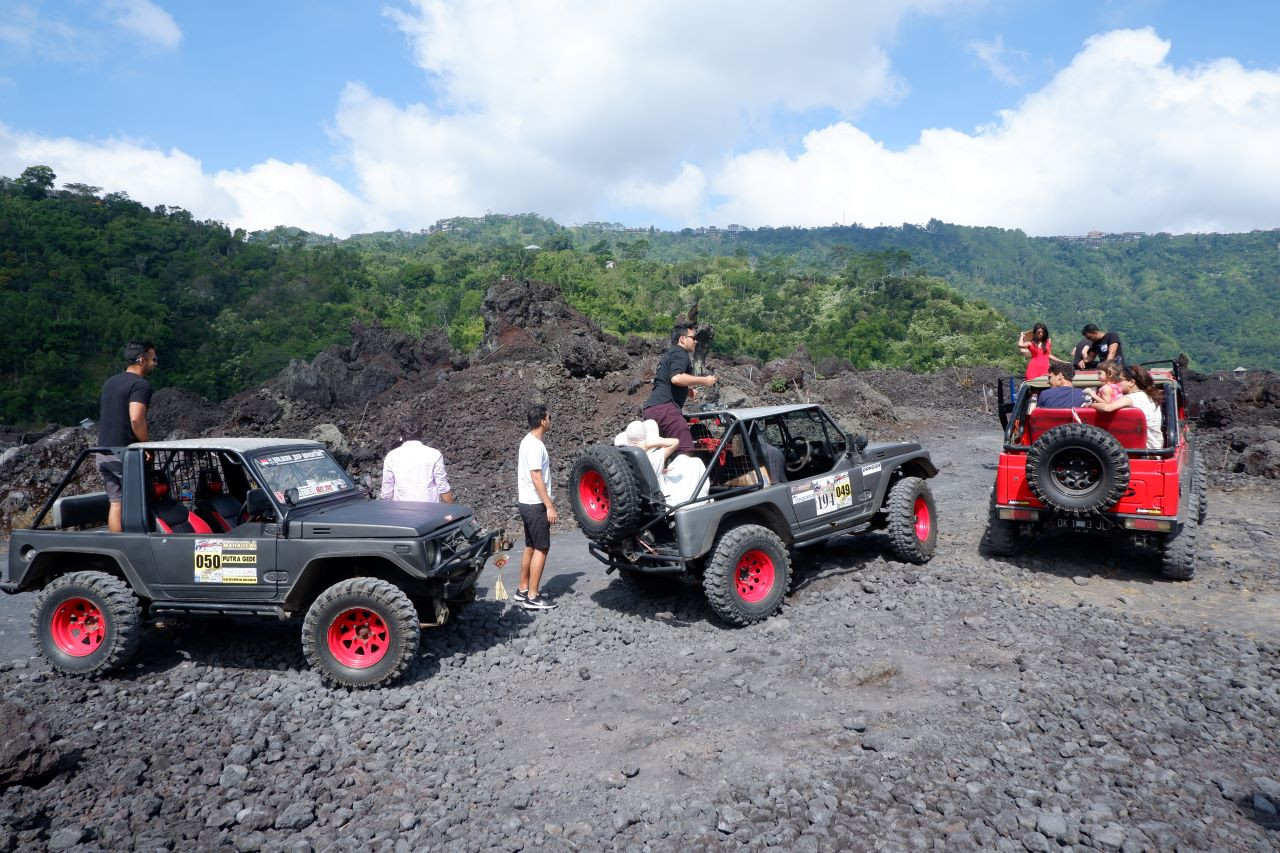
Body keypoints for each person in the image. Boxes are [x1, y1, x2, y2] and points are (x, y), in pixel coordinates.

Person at [97, 340, 158, 532]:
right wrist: (146, 445)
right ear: (142, 360)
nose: (155, 363)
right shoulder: (141, 385)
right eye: (153, 359)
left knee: (116, 503)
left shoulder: (110, 382)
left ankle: (117, 546)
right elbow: (136, 419)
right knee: (142, 500)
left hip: (102, 451)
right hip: (124, 453)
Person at [643, 323, 717, 454]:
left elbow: (665, 381)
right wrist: (705, 381)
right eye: (693, 338)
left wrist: (687, 391)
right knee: (686, 450)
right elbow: (676, 378)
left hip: (652, 409)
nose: (696, 341)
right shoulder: (680, 353)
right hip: (665, 409)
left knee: (661, 452)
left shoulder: (670, 354)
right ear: (682, 339)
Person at [515, 404, 558, 610]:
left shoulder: (527, 441)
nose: (551, 419)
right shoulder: (535, 446)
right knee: (542, 547)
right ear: (542, 421)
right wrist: (549, 505)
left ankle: (523, 588)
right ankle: (532, 596)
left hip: (526, 502)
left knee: (530, 545)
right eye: (549, 417)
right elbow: (536, 476)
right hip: (535, 504)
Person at [1083, 364, 1164, 449]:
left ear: (1131, 382)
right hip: (1156, 446)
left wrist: (1090, 404)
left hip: (1146, 450)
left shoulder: (1131, 398)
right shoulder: (1149, 397)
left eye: (1120, 380)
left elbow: (1107, 408)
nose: (1118, 383)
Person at [379, 425, 454, 503]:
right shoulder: (434, 454)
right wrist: (453, 512)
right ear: (421, 434)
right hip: (430, 511)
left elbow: (387, 492)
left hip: (401, 510)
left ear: (401, 436)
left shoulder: (391, 456)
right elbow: (443, 488)